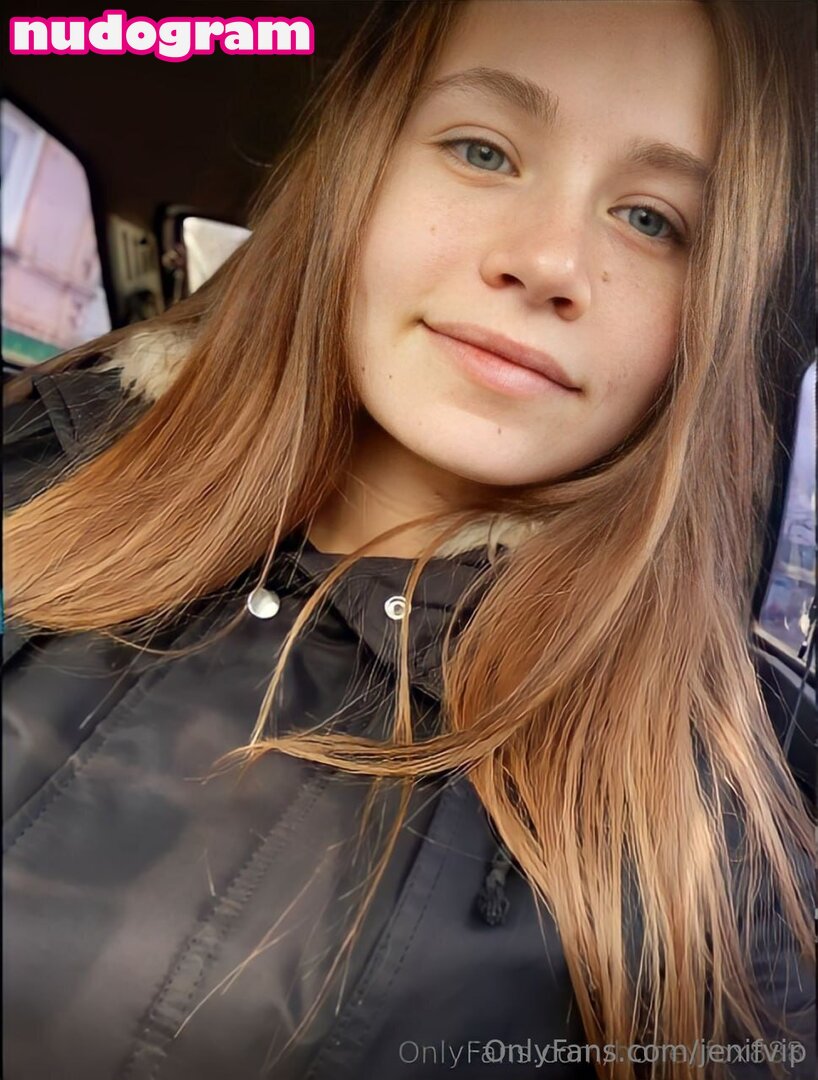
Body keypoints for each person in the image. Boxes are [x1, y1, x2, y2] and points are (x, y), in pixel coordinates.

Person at [3, 1, 815, 1078]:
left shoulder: (705, 833)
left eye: (651, 220)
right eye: (483, 151)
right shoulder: (40, 451)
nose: (547, 261)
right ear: (358, 167)